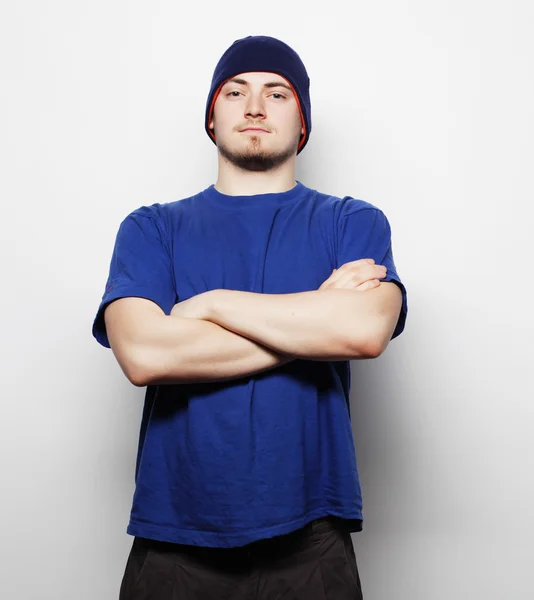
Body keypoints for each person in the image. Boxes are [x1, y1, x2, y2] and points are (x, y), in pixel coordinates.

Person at [92, 35, 408, 600]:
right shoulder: (151, 228)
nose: (255, 107)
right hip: (175, 536)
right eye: (235, 92)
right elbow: (143, 355)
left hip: (312, 533)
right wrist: (315, 320)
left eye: (277, 93)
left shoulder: (351, 222)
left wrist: (211, 305)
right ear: (212, 117)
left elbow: (363, 331)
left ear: (302, 122)